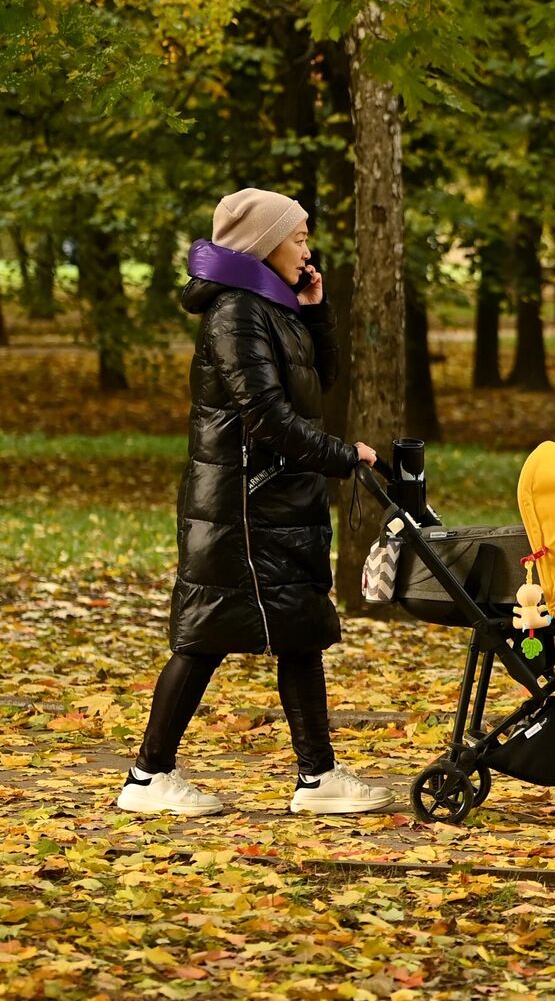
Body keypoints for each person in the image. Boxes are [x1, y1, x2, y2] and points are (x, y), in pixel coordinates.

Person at [117, 188, 395, 816]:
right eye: (297, 236)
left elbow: (315, 382)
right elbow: (266, 417)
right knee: (204, 635)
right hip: (243, 507)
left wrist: (316, 313)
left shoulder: (271, 307)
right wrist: (342, 457)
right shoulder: (234, 313)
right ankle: (147, 776)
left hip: (274, 500)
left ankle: (317, 776)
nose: (306, 247)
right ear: (264, 242)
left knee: (297, 628)